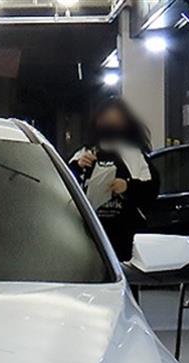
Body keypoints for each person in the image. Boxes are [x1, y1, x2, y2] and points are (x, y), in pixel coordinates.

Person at [69, 98, 160, 262]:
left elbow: (151, 189)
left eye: (116, 121)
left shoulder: (134, 155)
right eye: (106, 121)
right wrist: (77, 167)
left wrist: (127, 187)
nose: (111, 126)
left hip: (125, 242)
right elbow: (63, 188)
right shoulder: (83, 154)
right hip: (88, 240)